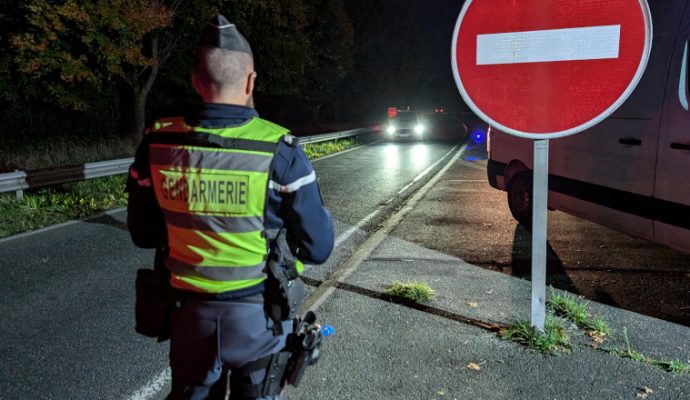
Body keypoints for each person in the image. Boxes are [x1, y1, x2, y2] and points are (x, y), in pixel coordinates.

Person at [126, 14, 334, 400]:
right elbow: (319, 248)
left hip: (188, 317)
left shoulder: (158, 144)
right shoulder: (280, 150)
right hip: (258, 320)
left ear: (195, 80)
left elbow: (143, 233)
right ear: (251, 81)